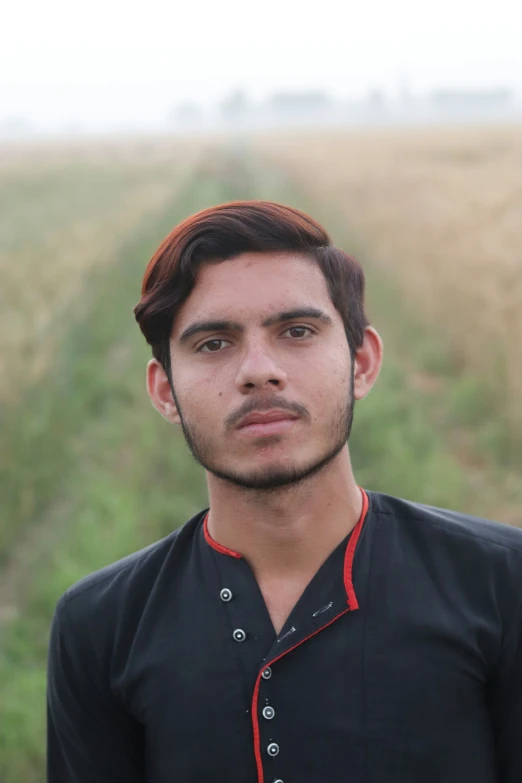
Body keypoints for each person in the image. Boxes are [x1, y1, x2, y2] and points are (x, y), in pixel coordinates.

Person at [47, 201, 522, 783]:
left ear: (361, 362)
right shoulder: (99, 626)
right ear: (165, 391)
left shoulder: (502, 583)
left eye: (296, 332)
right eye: (214, 344)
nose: (259, 369)